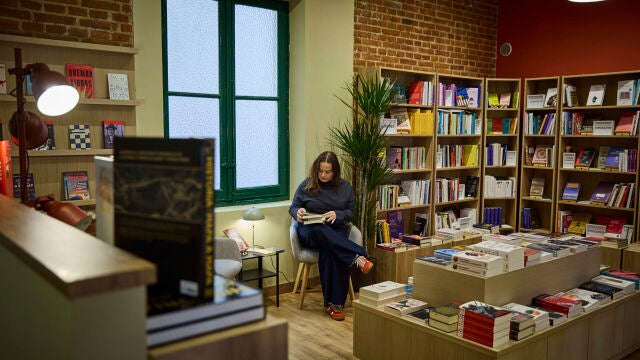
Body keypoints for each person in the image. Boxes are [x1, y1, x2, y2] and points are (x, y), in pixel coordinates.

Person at [289, 151, 373, 321]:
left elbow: (351, 213)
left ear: (335, 172)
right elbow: (293, 207)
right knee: (320, 229)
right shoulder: (307, 185)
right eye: (320, 171)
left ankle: (334, 305)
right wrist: (299, 212)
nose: (323, 175)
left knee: (331, 251)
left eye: (328, 172)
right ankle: (357, 255)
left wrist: (338, 215)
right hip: (309, 232)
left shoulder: (345, 187)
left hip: (334, 231)